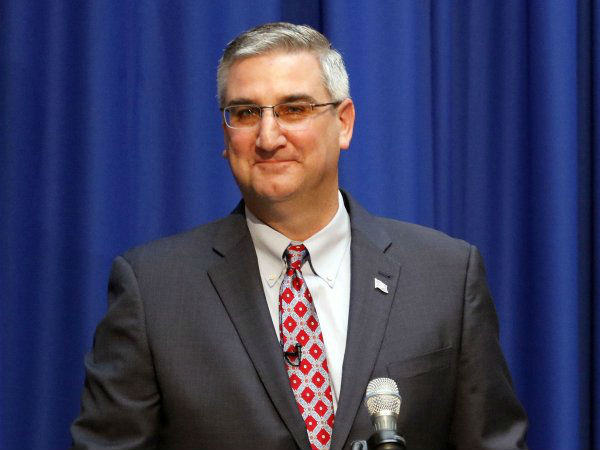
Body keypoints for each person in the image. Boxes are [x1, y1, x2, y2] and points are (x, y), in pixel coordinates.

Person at [70, 22, 528, 450]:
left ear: (343, 123)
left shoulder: (446, 275)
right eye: (245, 113)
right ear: (225, 136)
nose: (268, 137)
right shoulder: (153, 291)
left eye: (294, 109)